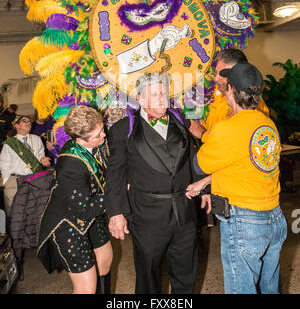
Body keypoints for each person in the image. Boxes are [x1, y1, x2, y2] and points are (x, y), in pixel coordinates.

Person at [186, 62, 287, 294]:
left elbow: (199, 164)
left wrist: (206, 136)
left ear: (230, 90)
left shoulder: (227, 129)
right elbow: (245, 164)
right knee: (270, 287)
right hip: (274, 218)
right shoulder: (268, 124)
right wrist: (206, 182)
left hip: (245, 221)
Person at [105, 72, 198, 294]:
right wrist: (115, 212)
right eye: (155, 94)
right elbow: (115, 174)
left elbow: (191, 158)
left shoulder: (178, 120)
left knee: (186, 275)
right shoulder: (123, 129)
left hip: (184, 212)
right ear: (141, 98)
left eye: (164, 93)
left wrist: (204, 188)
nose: (162, 98)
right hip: (147, 216)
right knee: (148, 277)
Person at [37, 106, 112, 294]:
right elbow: (84, 209)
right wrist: (118, 195)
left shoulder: (98, 142)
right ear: (79, 140)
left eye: (102, 129)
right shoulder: (69, 165)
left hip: (94, 209)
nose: (103, 135)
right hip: (68, 221)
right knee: (87, 287)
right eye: (98, 135)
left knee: (105, 263)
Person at [0, 115, 52, 280]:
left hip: (35, 181)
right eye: (24, 121)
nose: (28, 124)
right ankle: (17, 263)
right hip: (16, 183)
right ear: (16, 126)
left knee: (39, 218)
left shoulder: (36, 139)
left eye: (29, 122)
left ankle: (46, 255)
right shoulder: (9, 144)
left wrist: (43, 160)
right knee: (17, 222)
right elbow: (4, 166)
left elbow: (40, 157)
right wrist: (11, 185)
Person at [189, 49, 269, 142]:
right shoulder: (211, 92)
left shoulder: (252, 104)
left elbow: (240, 141)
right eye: (216, 72)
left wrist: (203, 135)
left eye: (223, 74)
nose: (216, 78)